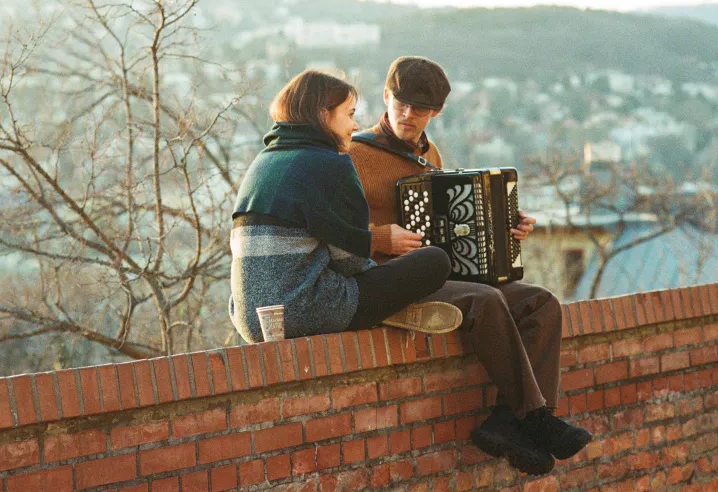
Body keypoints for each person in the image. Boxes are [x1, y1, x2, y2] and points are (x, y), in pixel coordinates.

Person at [347, 56, 592, 476]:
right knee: (485, 300)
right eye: (401, 104)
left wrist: (505, 227)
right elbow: (337, 232)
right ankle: (536, 419)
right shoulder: (353, 154)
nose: (408, 115)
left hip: (440, 274)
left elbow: (452, 225)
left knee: (542, 303)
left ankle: (504, 422)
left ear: (436, 112)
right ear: (386, 97)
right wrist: (379, 237)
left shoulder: (431, 154)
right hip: (388, 281)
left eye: (420, 109)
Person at [228, 69, 464, 346]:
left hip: (250, 320)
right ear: (324, 115)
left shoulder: (263, 162)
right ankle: (386, 312)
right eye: (350, 114)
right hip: (304, 312)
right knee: (434, 261)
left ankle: (382, 312)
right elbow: (349, 262)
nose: (354, 126)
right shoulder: (330, 163)